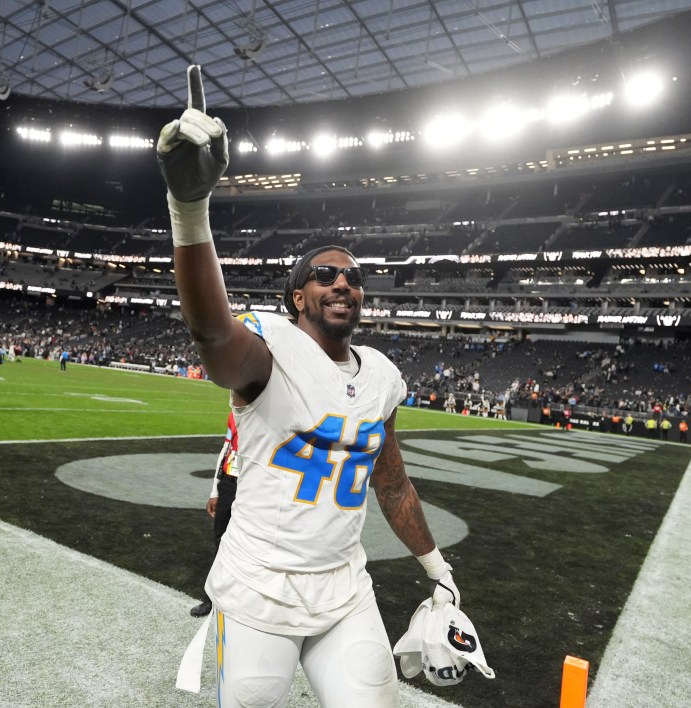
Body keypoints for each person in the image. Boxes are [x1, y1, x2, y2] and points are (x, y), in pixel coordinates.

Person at [158, 66, 460, 707]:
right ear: (298, 296)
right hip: (260, 583)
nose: (343, 282)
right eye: (325, 274)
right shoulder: (270, 348)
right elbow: (212, 335)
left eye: (353, 276)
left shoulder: (381, 376)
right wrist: (190, 207)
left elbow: (393, 479)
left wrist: (437, 567)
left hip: (345, 585)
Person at [191, 410, 240, 618]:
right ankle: (211, 597)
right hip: (229, 482)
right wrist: (215, 489)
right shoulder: (235, 414)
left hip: (253, 486)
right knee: (220, 540)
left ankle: (239, 599)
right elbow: (226, 449)